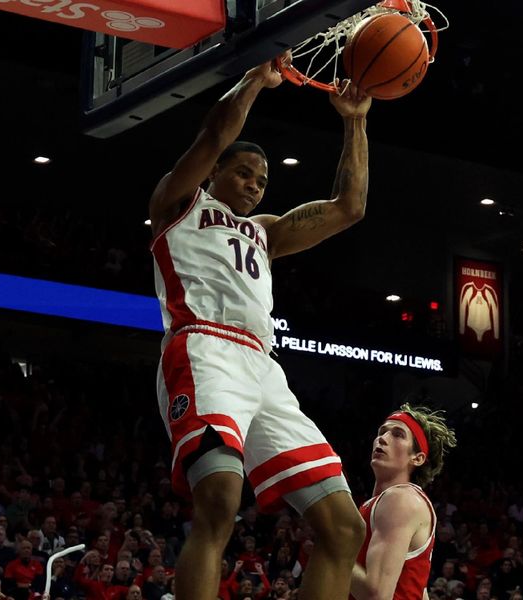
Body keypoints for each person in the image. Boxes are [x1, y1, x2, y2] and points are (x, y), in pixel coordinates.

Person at [148, 51, 371, 600]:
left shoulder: (266, 232)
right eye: (243, 172)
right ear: (218, 171)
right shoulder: (179, 203)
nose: (254, 184)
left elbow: (349, 207)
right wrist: (256, 79)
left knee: (345, 528)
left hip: (263, 367)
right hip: (203, 348)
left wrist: (355, 118)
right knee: (221, 499)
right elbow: (214, 133)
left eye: (262, 179)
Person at [349, 404, 457, 600]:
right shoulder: (389, 501)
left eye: (398, 434)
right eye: (382, 432)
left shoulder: (401, 499)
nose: (382, 438)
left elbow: (377, 595)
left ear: (417, 458)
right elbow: (420, 591)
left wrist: (334, 543)